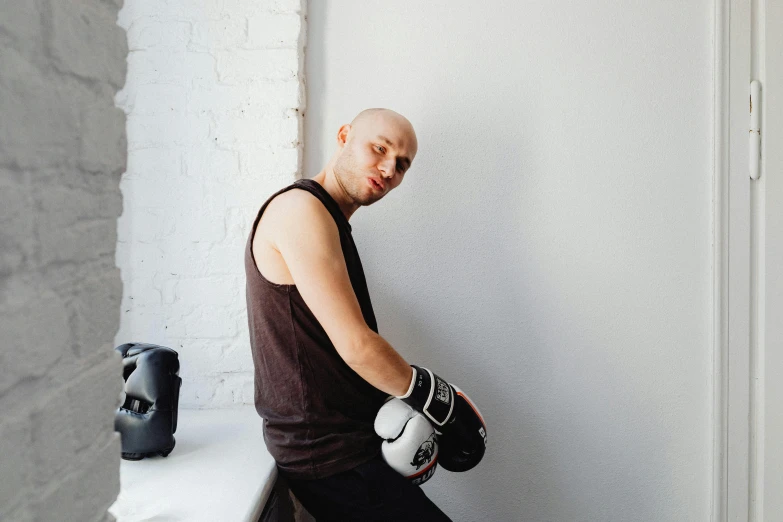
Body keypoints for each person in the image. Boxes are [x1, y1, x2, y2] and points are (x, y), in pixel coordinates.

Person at [244, 108, 453, 521]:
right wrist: (444, 405)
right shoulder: (301, 210)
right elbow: (356, 346)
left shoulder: (328, 220)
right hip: (326, 454)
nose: (389, 168)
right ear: (344, 136)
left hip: (349, 445)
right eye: (380, 148)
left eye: (402, 164)